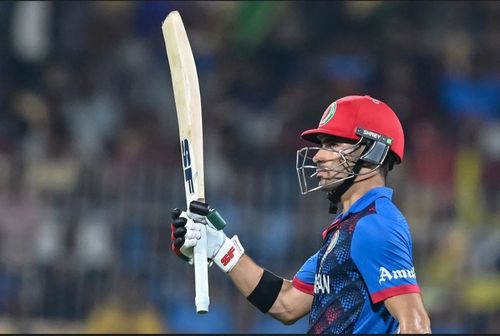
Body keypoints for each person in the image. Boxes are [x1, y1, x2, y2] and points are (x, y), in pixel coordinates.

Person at [171, 95, 431, 334]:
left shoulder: (376, 225)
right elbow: (286, 303)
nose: (318, 155)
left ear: (373, 152)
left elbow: (416, 325)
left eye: (333, 144)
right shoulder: (350, 228)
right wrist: (219, 247)